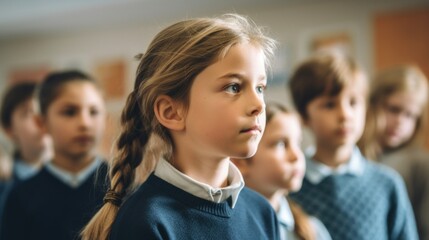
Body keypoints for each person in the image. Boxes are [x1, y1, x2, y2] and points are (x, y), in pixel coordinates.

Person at [81, 14, 279, 240]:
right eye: (233, 87)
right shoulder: (146, 221)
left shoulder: (262, 211)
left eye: (260, 88)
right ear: (171, 112)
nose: (258, 105)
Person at [288, 52, 418, 240]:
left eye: (353, 102)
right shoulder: (290, 185)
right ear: (303, 117)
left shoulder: (388, 184)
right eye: (330, 105)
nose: (345, 115)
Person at [1, 70, 108, 240]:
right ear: (41, 122)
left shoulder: (123, 184)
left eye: (94, 112)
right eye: (70, 112)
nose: (85, 123)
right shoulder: (20, 196)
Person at [232, 102, 331, 240]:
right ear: (239, 162)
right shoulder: (230, 230)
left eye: (298, 143)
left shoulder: (313, 231)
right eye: (281, 143)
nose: (296, 156)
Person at [359, 65, 429, 240]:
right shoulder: (352, 156)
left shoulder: (421, 165)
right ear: (372, 104)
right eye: (394, 109)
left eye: (410, 115)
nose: (400, 122)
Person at [0, 82, 52, 222]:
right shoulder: (5, 188)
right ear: (9, 129)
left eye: (43, 110)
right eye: (28, 113)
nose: (39, 120)